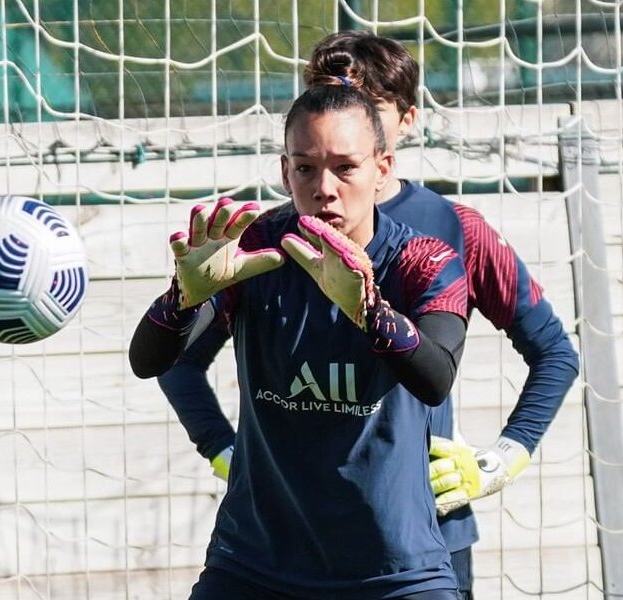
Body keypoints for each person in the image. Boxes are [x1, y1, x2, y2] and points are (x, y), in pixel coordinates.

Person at [156, 31, 580, 599]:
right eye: (325, 97)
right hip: (278, 550)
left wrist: (501, 459)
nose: (343, 114)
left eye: (367, 107)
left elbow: (554, 352)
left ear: (402, 124)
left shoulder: (450, 232)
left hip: (417, 540)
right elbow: (176, 357)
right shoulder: (270, 240)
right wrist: (221, 447)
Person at [130, 84, 471, 599]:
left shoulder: (422, 260)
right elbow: (151, 361)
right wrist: (183, 297)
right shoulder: (255, 252)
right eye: (306, 168)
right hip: (254, 566)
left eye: (345, 167)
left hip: (397, 574)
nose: (324, 187)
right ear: (284, 172)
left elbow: (435, 377)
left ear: (382, 170)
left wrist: (369, 311)